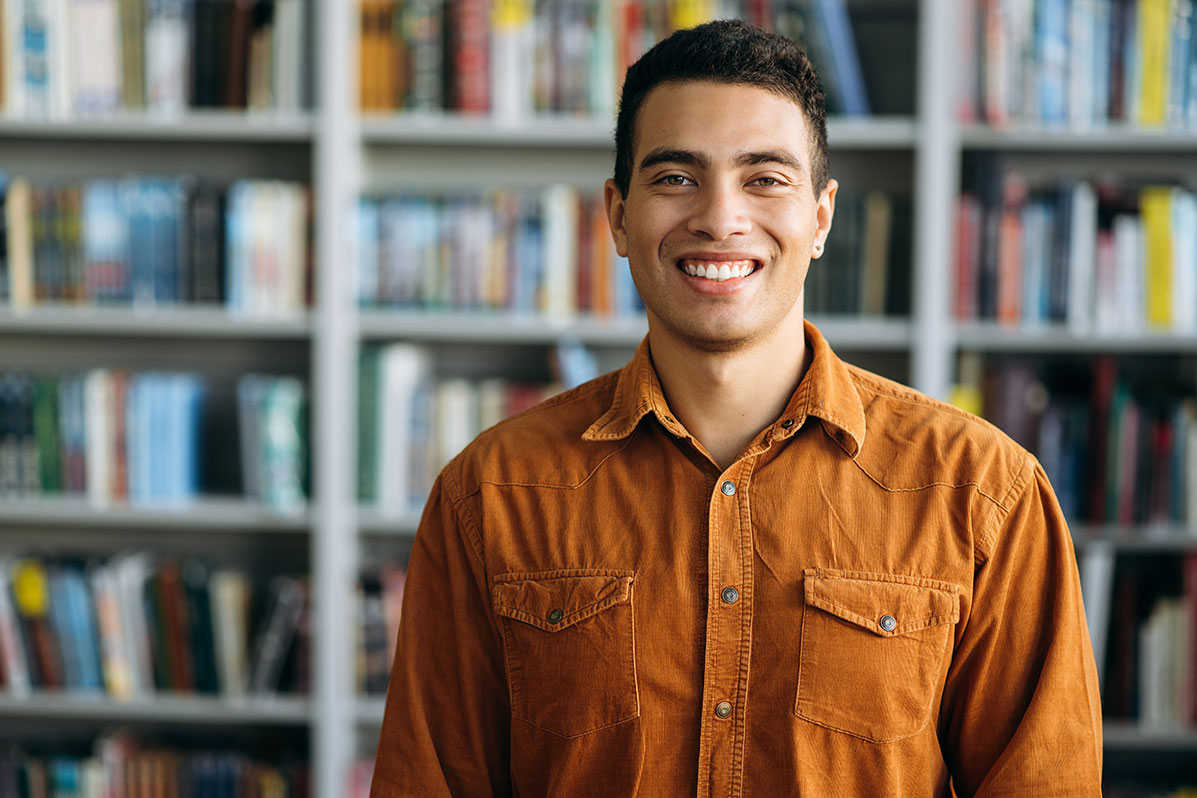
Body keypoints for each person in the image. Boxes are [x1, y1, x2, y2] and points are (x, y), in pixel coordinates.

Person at [371, 20, 1102, 797]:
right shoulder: (490, 494)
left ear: (820, 217)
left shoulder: (983, 493)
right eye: (676, 178)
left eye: (764, 178)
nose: (719, 218)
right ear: (617, 217)